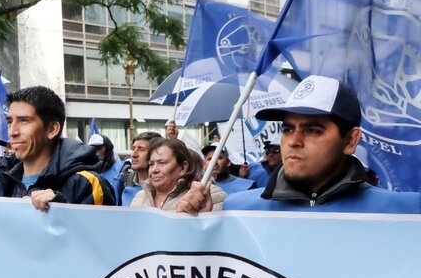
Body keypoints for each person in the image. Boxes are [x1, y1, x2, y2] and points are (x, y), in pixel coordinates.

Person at [224, 75, 421, 213]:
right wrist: (198, 224)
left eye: (313, 131)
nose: (293, 141)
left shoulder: (404, 213)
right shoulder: (237, 210)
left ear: (351, 140)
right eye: (288, 129)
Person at [0, 86, 109, 212]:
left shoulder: (85, 183)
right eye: (10, 122)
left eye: (24, 121)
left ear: (52, 129)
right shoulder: (1, 179)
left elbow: (101, 243)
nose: (12, 132)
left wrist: (61, 209)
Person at [130, 139, 226, 211]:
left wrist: (202, 218)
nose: (154, 170)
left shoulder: (208, 195)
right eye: (151, 164)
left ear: (183, 168)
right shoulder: (140, 196)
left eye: (162, 163)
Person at [117, 131, 164, 206]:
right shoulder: (124, 180)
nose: (133, 154)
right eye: (133, 149)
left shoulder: (164, 185)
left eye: (141, 149)